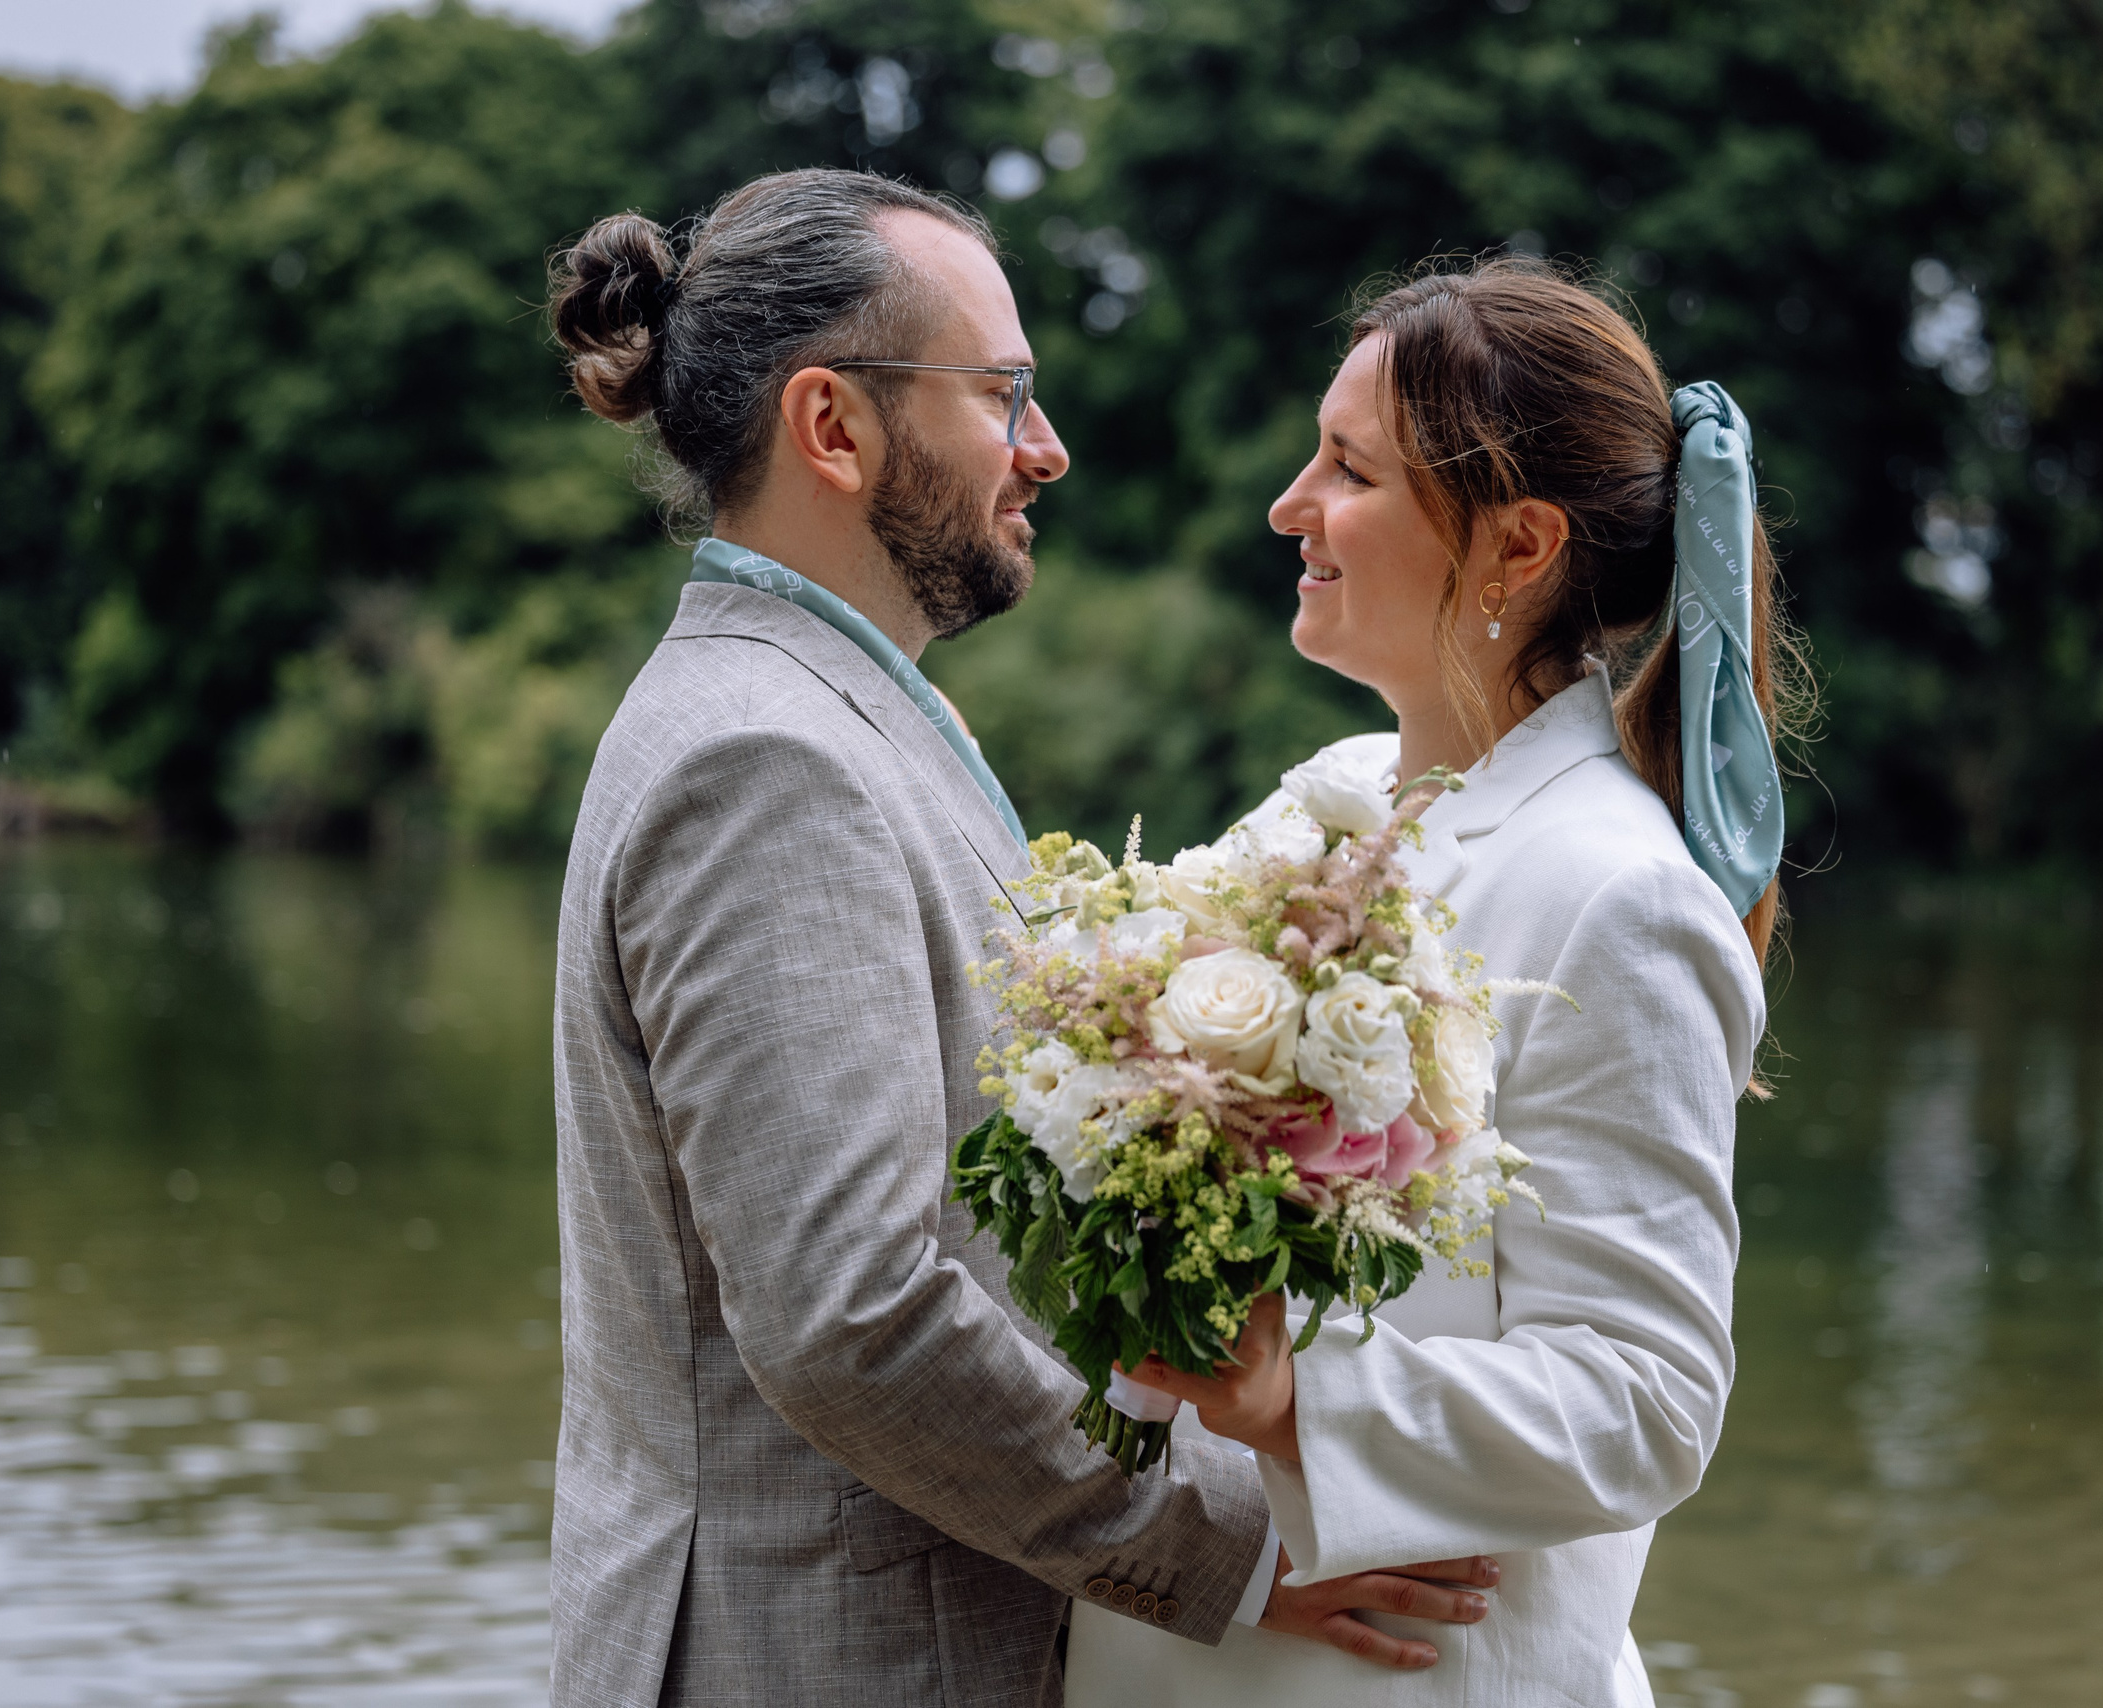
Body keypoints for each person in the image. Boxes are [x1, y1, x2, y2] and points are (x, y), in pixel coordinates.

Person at [544, 169, 1497, 1707]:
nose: (1045, 448)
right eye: (1001, 394)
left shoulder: (825, 713)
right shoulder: (766, 761)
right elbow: (853, 1319)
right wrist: (1231, 1542)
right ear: (833, 427)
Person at [1063, 257, 1791, 1705]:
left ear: (1518, 546)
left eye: (1351, 471)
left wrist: (1296, 1401)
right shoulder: (1316, 803)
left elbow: (1647, 1402)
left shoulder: (1621, 897)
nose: (1291, 505)